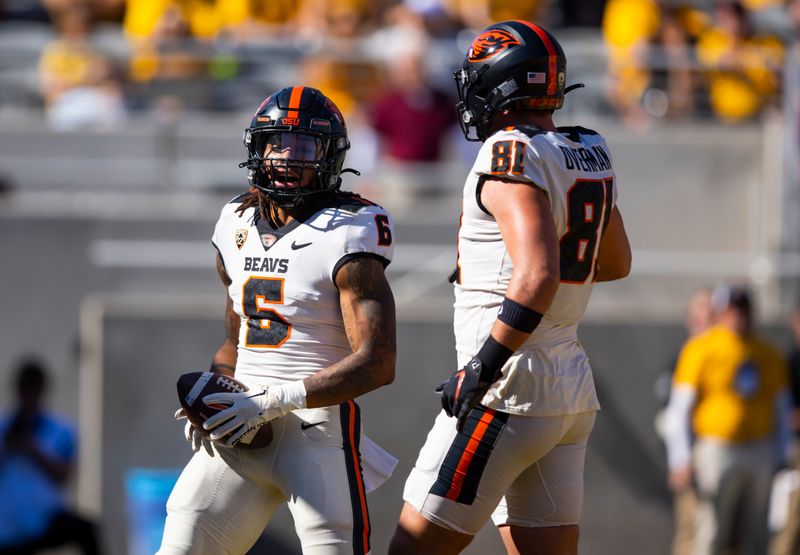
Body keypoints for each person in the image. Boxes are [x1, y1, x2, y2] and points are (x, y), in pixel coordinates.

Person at [389, 20, 632, 555]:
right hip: (568, 385)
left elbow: (538, 273)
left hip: (507, 388)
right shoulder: (586, 148)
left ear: (502, 83)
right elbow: (613, 262)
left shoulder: (509, 151)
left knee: (411, 550)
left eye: (478, 76)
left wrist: (483, 363)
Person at [158, 86, 398, 555]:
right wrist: (214, 393)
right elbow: (236, 342)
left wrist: (275, 400)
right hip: (239, 427)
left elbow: (378, 362)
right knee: (180, 544)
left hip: (316, 432)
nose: (287, 157)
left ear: (330, 156)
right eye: (276, 144)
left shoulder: (351, 228)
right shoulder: (234, 221)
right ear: (257, 149)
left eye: (304, 146)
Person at [664, 284, 793, 555]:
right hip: (716, 449)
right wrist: (681, 458)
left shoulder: (767, 352)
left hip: (759, 448)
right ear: (722, 312)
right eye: (733, 310)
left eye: (743, 310)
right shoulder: (701, 348)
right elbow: (679, 408)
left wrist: (781, 454)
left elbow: (780, 407)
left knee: (758, 532)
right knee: (711, 531)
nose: (739, 317)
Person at [0, 358, 102, 555]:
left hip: (44, 517)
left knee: (86, 530)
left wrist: (32, 450)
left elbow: (63, 476)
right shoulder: (4, 428)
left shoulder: (60, 429)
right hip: (8, 526)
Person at [653, 288, 714, 555]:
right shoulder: (684, 357)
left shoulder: (727, 355)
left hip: (722, 455)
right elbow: (673, 416)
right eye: (700, 315)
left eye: (711, 315)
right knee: (690, 529)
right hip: (693, 457)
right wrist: (680, 459)